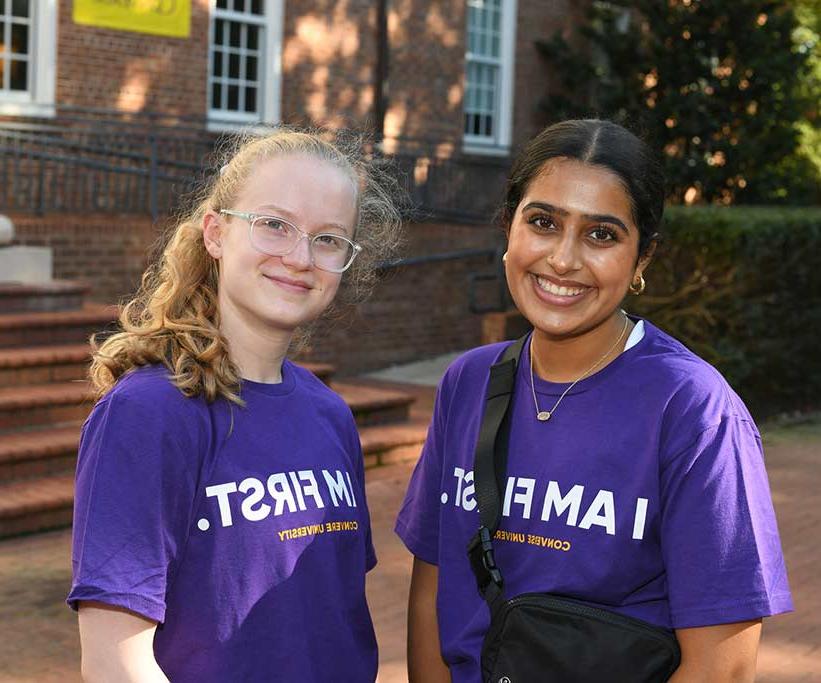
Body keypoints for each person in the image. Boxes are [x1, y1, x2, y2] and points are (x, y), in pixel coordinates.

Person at [396, 119, 793, 682]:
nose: (562, 259)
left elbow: (721, 667)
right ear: (508, 228)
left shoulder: (692, 408)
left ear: (642, 259)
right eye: (542, 222)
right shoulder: (468, 382)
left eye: (601, 235)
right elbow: (433, 594)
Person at [67, 128, 401, 682]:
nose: (300, 257)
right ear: (217, 233)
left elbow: (327, 620)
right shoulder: (149, 413)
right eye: (275, 225)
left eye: (328, 239)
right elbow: (113, 661)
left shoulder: (331, 416)